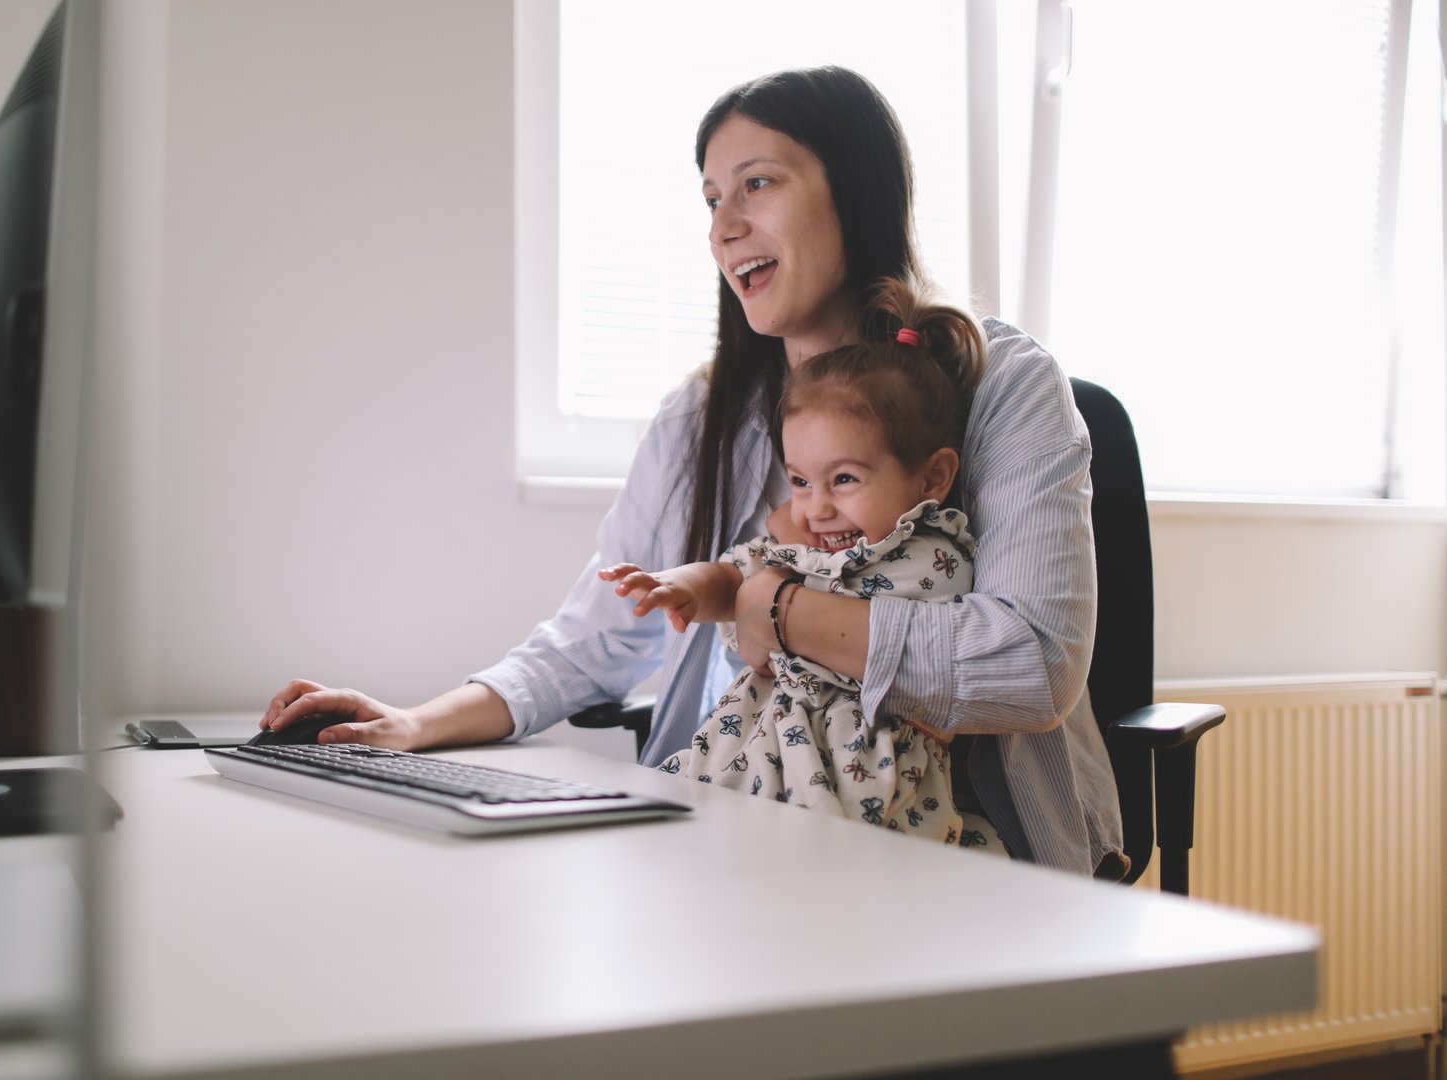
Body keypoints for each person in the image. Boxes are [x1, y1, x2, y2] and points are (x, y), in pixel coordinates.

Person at [260, 66, 1126, 878]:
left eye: (757, 183)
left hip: (955, 856)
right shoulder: (702, 415)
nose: (722, 227)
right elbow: (596, 634)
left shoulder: (1000, 383)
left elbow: (1033, 667)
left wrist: (774, 608)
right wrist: (414, 723)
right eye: (711, 198)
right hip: (734, 829)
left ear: (854, 191)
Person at [598, 279, 999, 850]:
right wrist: (681, 585)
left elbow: (917, 660)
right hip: (751, 752)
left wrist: (775, 595)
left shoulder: (935, 559)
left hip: (859, 775)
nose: (817, 508)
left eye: (845, 480)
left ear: (932, 477)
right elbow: (736, 577)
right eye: (802, 481)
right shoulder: (812, 545)